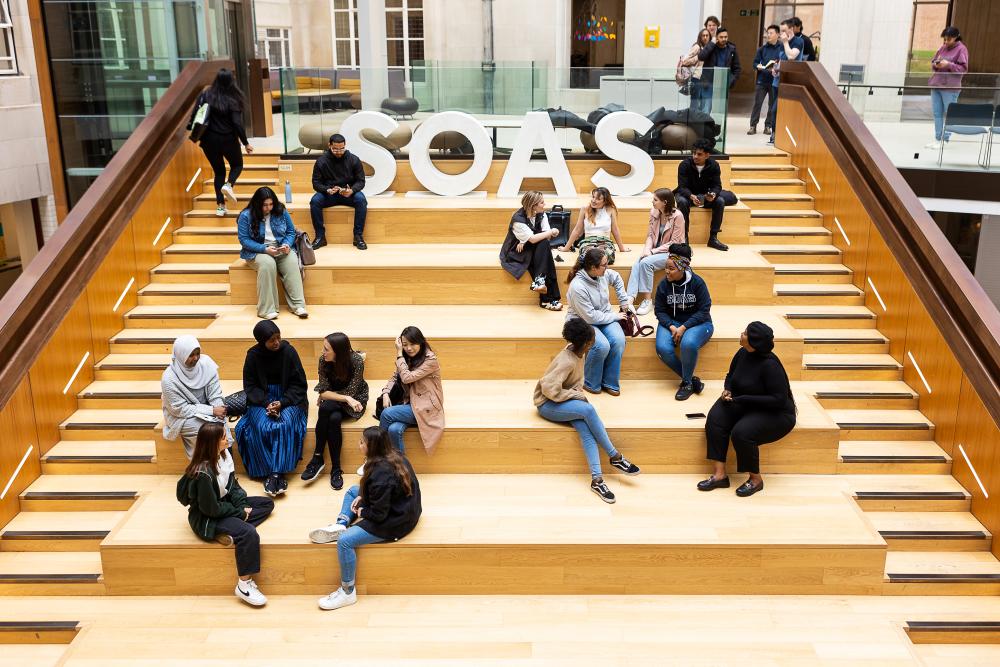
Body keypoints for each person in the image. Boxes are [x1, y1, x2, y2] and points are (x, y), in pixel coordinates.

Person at [310, 426, 422, 611]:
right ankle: (341, 524)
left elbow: (379, 515)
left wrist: (362, 511)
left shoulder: (381, 475)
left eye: (362, 442)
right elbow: (382, 491)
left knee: (345, 541)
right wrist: (364, 496)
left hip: (396, 521)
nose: (359, 444)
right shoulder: (394, 455)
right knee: (354, 491)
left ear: (373, 447)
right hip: (403, 506)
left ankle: (347, 592)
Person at [534, 318, 640, 503]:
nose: (594, 342)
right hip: (547, 404)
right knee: (588, 410)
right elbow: (549, 389)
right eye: (592, 339)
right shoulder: (566, 360)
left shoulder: (578, 352)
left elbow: (572, 384)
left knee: (585, 427)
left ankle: (597, 480)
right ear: (587, 343)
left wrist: (574, 394)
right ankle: (615, 456)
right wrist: (574, 395)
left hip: (561, 400)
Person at [176, 421, 274, 607]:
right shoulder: (203, 473)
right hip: (207, 517)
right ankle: (244, 584)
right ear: (212, 442)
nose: (228, 439)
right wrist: (240, 513)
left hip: (224, 505)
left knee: (266, 504)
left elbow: (233, 487)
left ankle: (229, 532)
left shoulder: (224, 455)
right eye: (223, 437)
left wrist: (242, 505)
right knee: (249, 534)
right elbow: (210, 509)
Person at [699, 321, 796, 497]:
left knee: (741, 433)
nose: (741, 334)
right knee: (716, 418)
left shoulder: (770, 365)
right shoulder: (742, 352)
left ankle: (756, 479)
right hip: (745, 403)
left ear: (753, 342)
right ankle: (720, 475)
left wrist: (743, 399)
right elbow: (730, 376)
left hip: (776, 413)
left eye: (745, 333)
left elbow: (779, 400)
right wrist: (727, 389)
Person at [235, 320, 308, 497]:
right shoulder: (252, 355)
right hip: (261, 400)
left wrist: (281, 403)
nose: (276, 342)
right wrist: (267, 403)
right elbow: (250, 386)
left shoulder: (289, 352)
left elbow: (299, 384)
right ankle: (271, 472)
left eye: (278, 338)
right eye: (271, 340)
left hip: (288, 398)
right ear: (261, 341)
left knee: (283, 424)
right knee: (261, 426)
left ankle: (276, 473)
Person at [300, 332, 369, 490]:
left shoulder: (356, 361)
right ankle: (336, 469)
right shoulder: (323, 360)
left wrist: (338, 397)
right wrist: (343, 398)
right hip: (342, 401)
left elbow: (351, 392)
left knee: (325, 407)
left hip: (356, 401)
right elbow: (323, 391)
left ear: (338, 351)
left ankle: (317, 458)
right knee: (333, 418)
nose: (323, 352)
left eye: (326, 349)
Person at [565, 247, 633, 397]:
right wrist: (615, 316)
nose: (607, 268)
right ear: (593, 268)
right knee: (601, 345)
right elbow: (590, 317)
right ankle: (591, 383)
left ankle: (609, 382)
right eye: (604, 265)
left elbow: (616, 277)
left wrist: (624, 302)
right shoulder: (577, 286)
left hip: (604, 316)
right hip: (582, 320)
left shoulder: (602, 274)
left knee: (619, 340)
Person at [189, 68, 253, 217]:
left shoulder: (206, 95)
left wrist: (192, 131)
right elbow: (237, 123)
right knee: (237, 165)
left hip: (208, 141)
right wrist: (245, 143)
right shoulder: (234, 98)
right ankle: (229, 185)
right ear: (231, 81)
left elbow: (195, 113)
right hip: (228, 139)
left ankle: (221, 206)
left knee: (219, 172)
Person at [237, 186, 308, 320]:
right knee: (268, 264)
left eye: (271, 204)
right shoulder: (245, 215)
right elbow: (244, 240)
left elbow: (291, 232)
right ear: (257, 204)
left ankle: (299, 306)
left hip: (280, 247)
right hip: (257, 250)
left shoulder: (281, 210)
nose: (268, 208)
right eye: (265, 205)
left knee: (292, 262)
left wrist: (287, 244)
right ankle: (266, 309)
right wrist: (264, 249)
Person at [653, 244, 714, 401]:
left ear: (682, 267)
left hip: (699, 323)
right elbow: (659, 311)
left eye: (671, 269)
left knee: (688, 343)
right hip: (672, 322)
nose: (667, 271)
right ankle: (692, 380)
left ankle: (686, 383)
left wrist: (683, 327)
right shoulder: (663, 285)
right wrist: (672, 326)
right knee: (662, 348)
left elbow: (704, 310)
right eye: (666, 267)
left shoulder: (697, 283)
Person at [376, 326, 445, 462]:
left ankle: (375, 456)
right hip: (409, 403)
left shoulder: (430, 360)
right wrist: (385, 393)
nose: (409, 348)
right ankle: (402, 468)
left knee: (387, 413)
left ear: (421, 342)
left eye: (412, 344)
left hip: (425, 407)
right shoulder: (406, 359)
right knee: (394, 429)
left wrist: (399, 353)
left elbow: (407, 377)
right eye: (405, 345)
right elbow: (395, 377)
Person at [161, 335, 228, 459]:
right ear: (181, 355)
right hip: (181, 417)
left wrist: (218, 409)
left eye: (198, 353)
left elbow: (215, 394)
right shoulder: (169, 379)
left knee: (220, 426)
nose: (196, 358)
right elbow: (179, 409)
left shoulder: (206, 364)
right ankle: (203, 466)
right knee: (205, 429)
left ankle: (226, 463)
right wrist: (211, 411)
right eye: (191, 355)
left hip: (209, 410)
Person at [499, 190, 563, 311]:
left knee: (544, 246)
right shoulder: (518, 219)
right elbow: (536, 238)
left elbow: (544, 237)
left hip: (532, 245)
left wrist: (530, 238)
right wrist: (551, 231)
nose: (545, 205)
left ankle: (540, 283)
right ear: (533, 205)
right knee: (544, 257)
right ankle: (547, 299)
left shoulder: (541, 214)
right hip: (516, 251)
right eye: (542, 203)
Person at [627, 188, 686, 315]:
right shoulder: (654, 212)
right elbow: (650, 235)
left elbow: (675, 243)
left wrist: (653, 252)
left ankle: (648, 301)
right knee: (638, 262)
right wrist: (647, 250)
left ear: (665, 202)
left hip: (674, 253)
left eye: (655, 200)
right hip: (655, 250)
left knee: (645, 263)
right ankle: (629, 300)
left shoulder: (678, 216)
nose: (652, 202)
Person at [675, 139, 737, 251]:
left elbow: (717, 186)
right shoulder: (684, 165)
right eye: (694, 153)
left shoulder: (714, 165)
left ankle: (713, 238)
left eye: (699, 154)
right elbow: (682, 187)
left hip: (704, 196)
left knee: (720, 201)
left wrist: (712, 194)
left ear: (707, 155)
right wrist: (691, 196)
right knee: (682, 202)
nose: (695, 156)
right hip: (687, 195)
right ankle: (684, 238)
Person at [309, 133, 368, 250]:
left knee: (361, 200)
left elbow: (361, 181)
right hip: (329, 194)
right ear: (329, 145)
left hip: (348, 194)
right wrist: (326, 189)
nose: (339, 151)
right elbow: (316, 183)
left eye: (342, 148)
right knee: (315, 201)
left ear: (345, 145)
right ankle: (320, 237)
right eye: (335, 149)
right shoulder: (321, 161)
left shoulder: (354, 159)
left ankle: (358, 236)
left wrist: (352, 190)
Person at [559, 187, 630, 264]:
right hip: (588, 242)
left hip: (605, 242)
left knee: (604, 256)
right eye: (593, 197)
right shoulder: (584, 209)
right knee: (590, 256)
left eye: (598, 199)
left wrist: (621, 248)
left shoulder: (611, 209)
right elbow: (577, 230)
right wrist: (566, 248)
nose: (593, 200)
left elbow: (615, 229)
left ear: (605, 201)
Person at [927, 27, 969, 150]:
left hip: (950, 88)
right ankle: (937, 139)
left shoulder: (962, 49)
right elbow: (934, 61)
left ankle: (945, 140)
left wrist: (948, 64)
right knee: (937, 113)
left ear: (956, 37)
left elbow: (963, 69)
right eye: (944, 39)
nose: (946, 42)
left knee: (950, 114)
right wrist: (936, 63)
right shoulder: (943, 47)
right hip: (936, 85)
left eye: (948, 39)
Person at [767, 20, 804, 146]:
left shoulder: (798, 41)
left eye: (784, 30)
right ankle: (774, 134)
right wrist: (775, 67)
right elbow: (781, 58)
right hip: (777, 81)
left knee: (776, 110)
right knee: (773, 110)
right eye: (781, 30)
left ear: (791, 29)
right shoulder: (782, 43)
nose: (782, 33)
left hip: (789, 82)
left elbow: (791, 56)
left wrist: (785, 42)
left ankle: (777, 135)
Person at [697, 26, 742, 115]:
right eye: (721, 37)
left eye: (725, 37)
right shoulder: (711, 47)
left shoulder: (732, 49)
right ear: (716, 37)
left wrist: (730, 80)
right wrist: (711, 43)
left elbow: (737, 68)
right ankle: (704, 128)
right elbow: (701, 57)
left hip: (722, 84)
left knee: (720, 112)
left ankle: (717, 128)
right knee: (706, 109)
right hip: (708, 83)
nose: (724, 39)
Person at [749, 25, 782, 135]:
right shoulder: (762, 49)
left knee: (772, 105)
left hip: (774, 81)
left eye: (771, 33)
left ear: (777, 34)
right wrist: (757, 66)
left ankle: (768, 126)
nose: (768, 35)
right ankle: (753, 126)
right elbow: (754, 63)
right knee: (757, 104)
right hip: (762, 80)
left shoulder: (781, 48)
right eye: (768, 33)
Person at [681, 28, 713, 114]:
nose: (705, 37)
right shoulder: (697, 47)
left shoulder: (709, 48)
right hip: (696, 78)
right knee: (695, 104)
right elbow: (685, 61)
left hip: (705, 79)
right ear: (700, 37)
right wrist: (698, 57)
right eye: (703, 36)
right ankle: (692, 122)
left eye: (707, 35)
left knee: (704, 104)